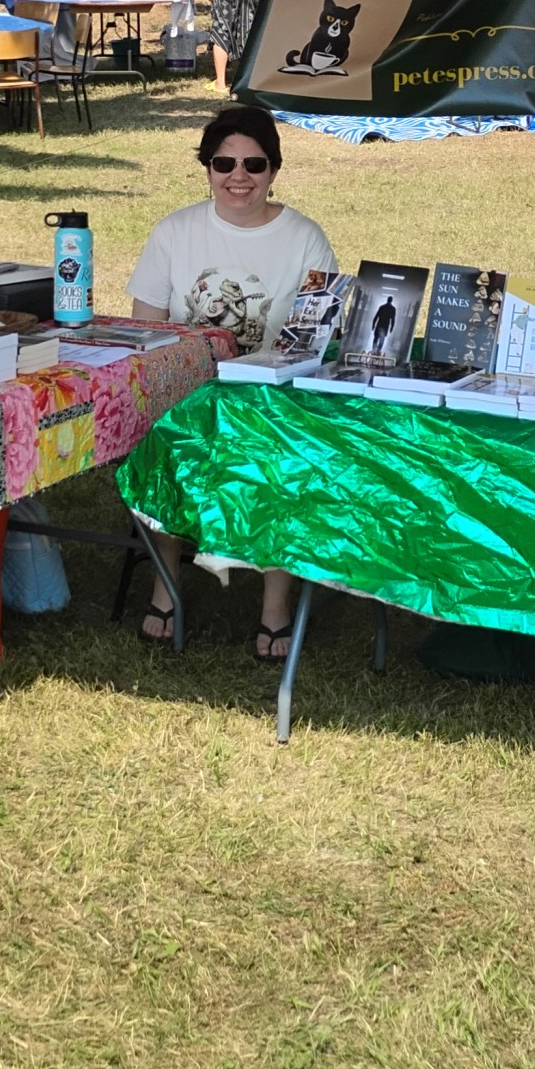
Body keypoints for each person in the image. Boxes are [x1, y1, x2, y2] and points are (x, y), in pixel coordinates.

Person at [129, 107, 336, 659]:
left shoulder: (304, 237)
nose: (238, 176)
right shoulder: (174, 231)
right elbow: (146, 332)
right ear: (207, 167)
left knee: (283, 450)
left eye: (254, 164)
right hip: (189, 390)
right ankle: (166, 583)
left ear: (274, 169)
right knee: (170, 439)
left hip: (270, 396)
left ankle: (275, 605)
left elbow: (318, 338)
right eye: (224, 163)